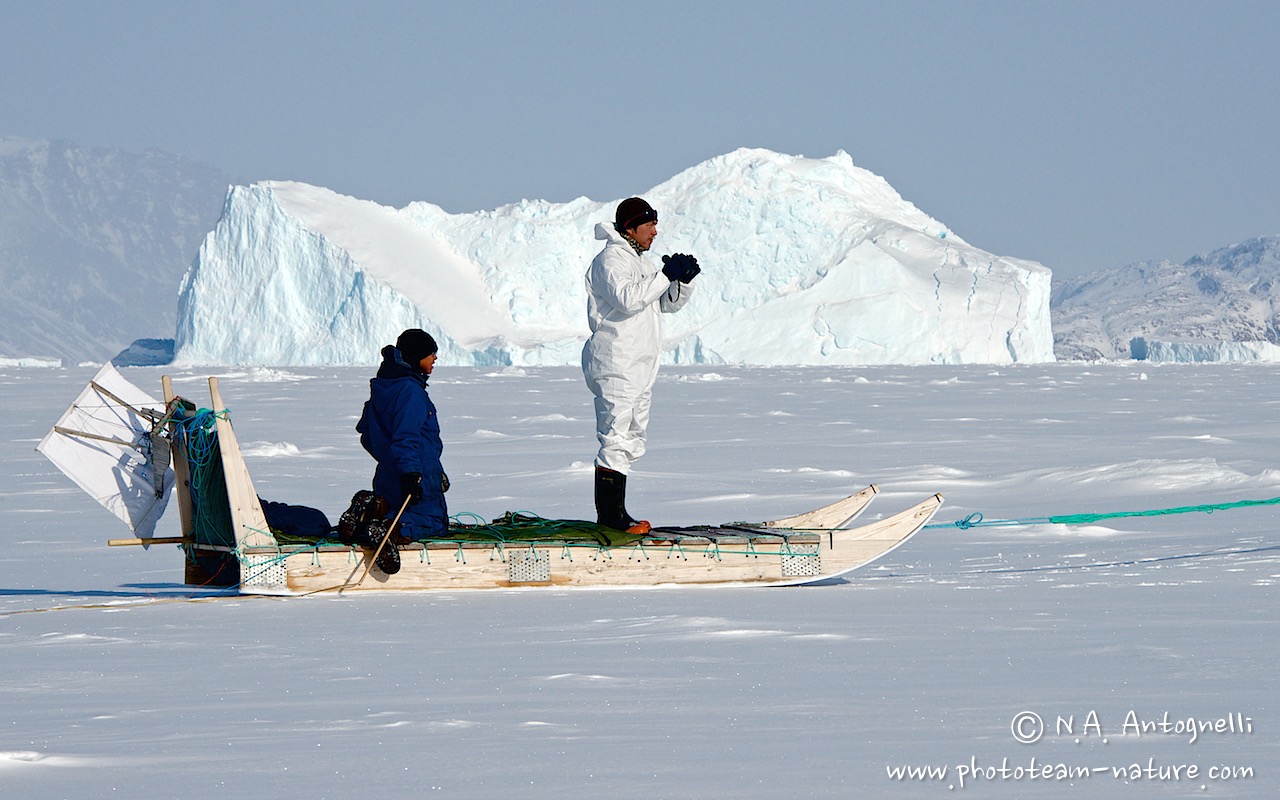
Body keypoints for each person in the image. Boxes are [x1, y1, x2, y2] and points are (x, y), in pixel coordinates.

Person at [582, 197, 701, 532]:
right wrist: (665, 274)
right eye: (649, 225)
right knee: (616, 436)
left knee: (633, 436)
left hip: (641, 363)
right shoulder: (610, 260)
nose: (655, 232)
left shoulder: (639, 262)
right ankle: (610, 516)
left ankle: (617, 511)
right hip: (616, 361)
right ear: (630, 228)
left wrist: (682, 281)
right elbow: (628, 299)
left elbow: (665, 304)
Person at [356, 328, 449, 540]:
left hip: (388, 476)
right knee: (434, 523)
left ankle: (371, 517)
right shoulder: (411, 391)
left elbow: (367, 433)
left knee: (395, 512)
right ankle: (390, 530)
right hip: (415, 477)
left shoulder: (385, 387)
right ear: (417, 356)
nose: (435, 357)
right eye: (431, 353)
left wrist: (390, 461)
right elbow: (407, 436)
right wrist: (411, 472)